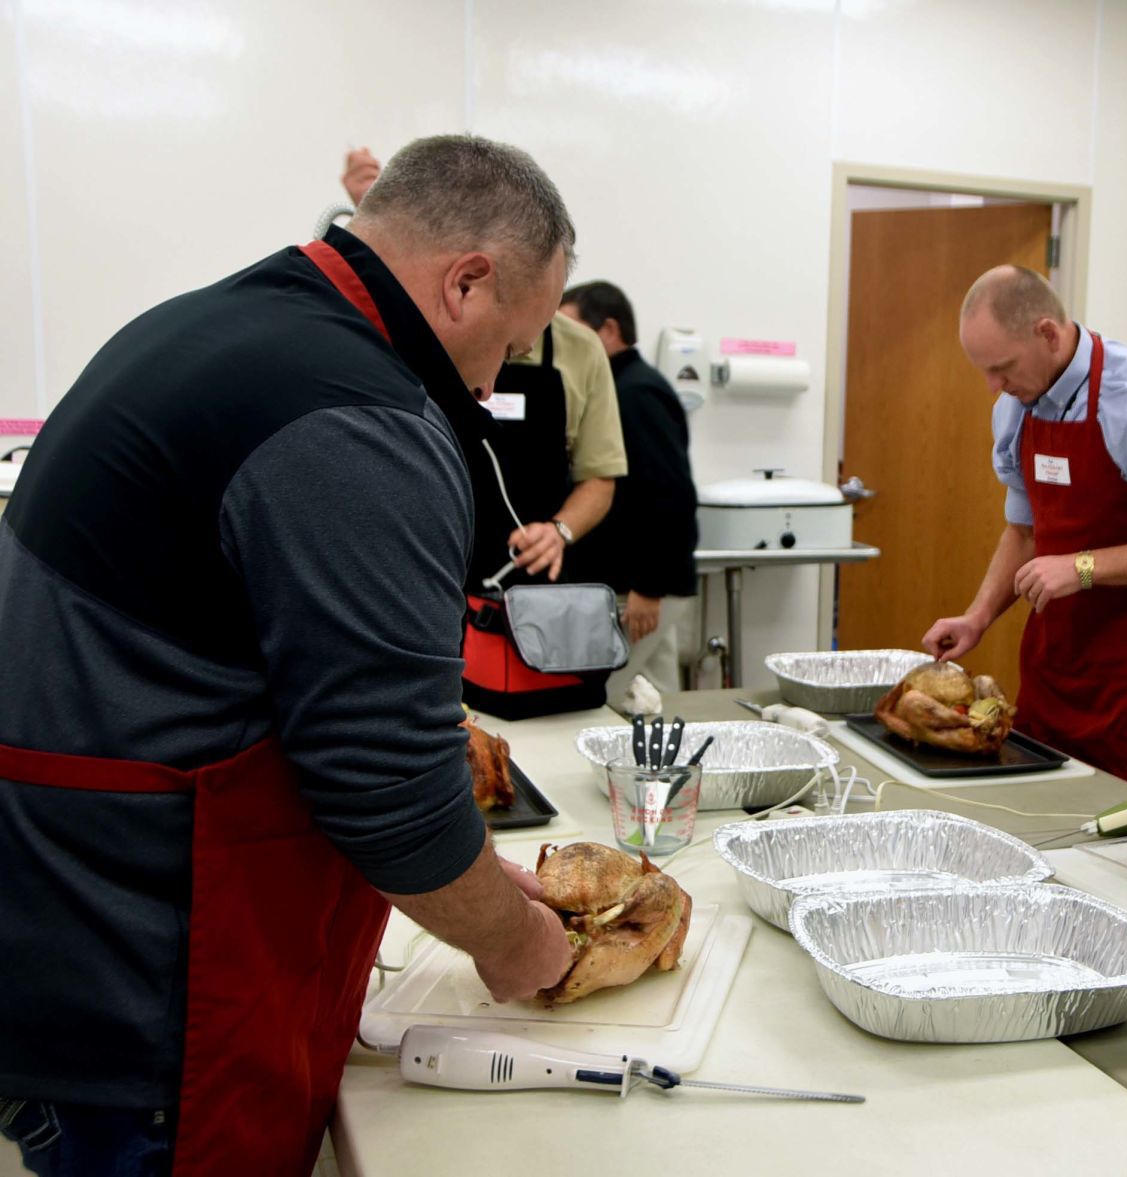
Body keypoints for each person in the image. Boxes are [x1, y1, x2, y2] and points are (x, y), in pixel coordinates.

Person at [0, 135, 577, 1175]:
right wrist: (508, 937)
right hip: (156, 976)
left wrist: (472, 874)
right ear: (467, 281)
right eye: (513, 343)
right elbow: (388, 779)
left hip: (65, 930)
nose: (496, 384)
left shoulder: (219, 325)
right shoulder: (357, 418)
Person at [923, 266, 1127, 788]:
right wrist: (978, 617)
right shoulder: (1015, 408)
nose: (992, 386)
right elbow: (1022, 532)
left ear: (1047, 332)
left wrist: (1083, 568)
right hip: (1057, 673)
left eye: (1001, 367)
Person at [344, 148, 626, 591]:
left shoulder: (579, 351)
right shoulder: (414, 332)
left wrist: (558, 531)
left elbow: (600, 477)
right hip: (418, 573)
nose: (485, 387)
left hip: (527, 595)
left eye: (516, 349)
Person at [559, 280, 699, 695]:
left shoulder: (635, 393)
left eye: (571, 329)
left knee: (604, 696)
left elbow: (670, 494)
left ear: (609, 331)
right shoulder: (625, 386)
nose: (563, 342)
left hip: (640, 585)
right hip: (641, 583)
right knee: (654, 697)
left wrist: (649, 587)